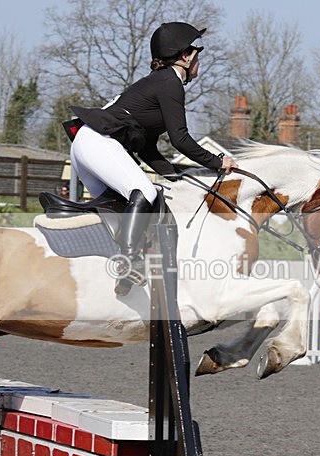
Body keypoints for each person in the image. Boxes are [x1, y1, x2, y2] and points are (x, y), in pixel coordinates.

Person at [67, 22, 238, 296]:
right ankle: (129, 262)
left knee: (121, 211)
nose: (199, 63)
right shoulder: (170, 82)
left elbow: (148, 151)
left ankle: (113, 277)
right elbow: (180, 139)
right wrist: (218, 162)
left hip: (86, 145)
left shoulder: (158, 83)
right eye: (197, 55)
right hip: (98, 143)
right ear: (185, 56)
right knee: (144, 191)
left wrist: (179, 177)